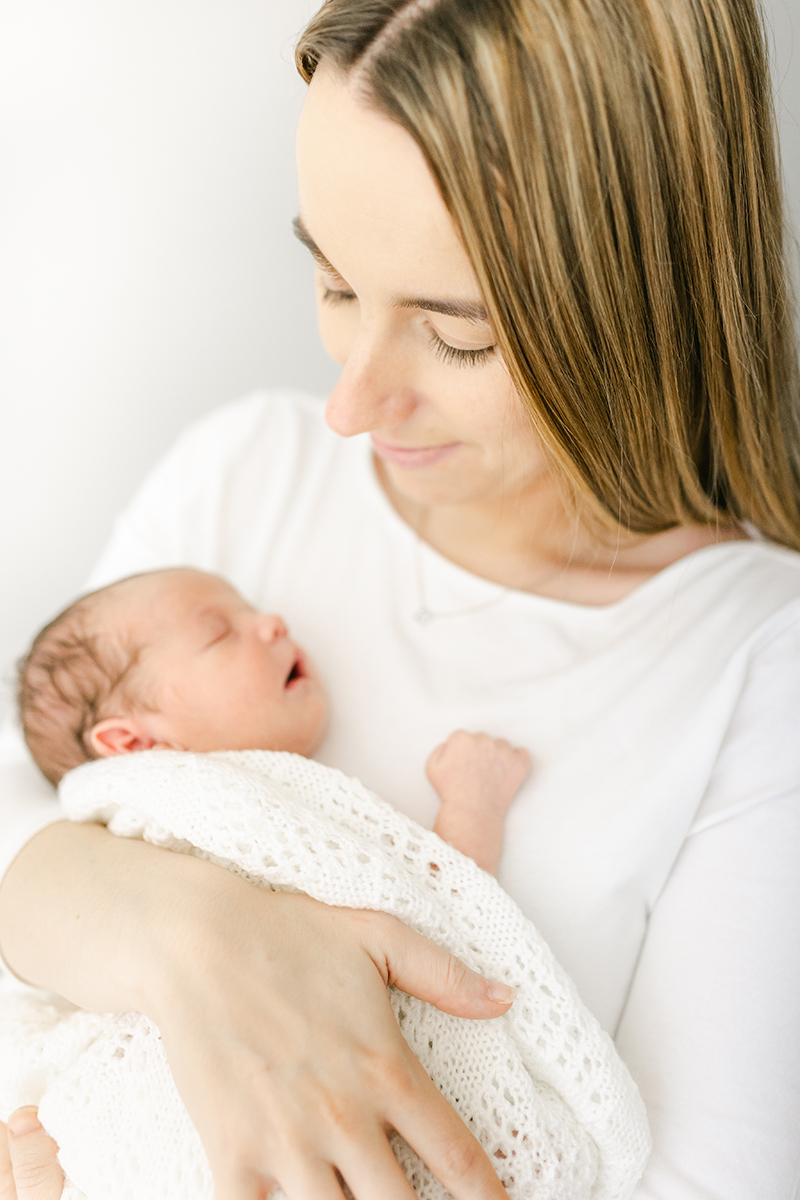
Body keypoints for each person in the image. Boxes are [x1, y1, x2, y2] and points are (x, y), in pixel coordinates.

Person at [1, 0, 799, 1197]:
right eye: (330, 282)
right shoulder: (240, 483)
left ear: (640, 302)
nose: (350, 407)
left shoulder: (751, 663)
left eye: (457, 337)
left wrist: (103, 908)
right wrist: (205, 945)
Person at [18, 566, 531, 877]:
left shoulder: (272, 806)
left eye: (250, 610)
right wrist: (471, 810)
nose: (270, 623)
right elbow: (438, 919)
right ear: (135, 743)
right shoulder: (201, 827)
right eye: (220, 634)